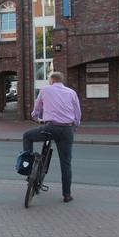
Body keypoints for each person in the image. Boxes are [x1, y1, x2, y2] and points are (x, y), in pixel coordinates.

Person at [23, 72, 81, 203]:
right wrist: (75, 126)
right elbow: (77, 113)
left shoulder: (45, 90)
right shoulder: (71, 92)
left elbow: (36, 110)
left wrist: (36, 118)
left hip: (50, 128)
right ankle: (67, 195)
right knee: (66, 163)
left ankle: (29, 167)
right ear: (62, 80)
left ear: (52, 80)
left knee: (27, 136)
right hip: (67, 129)